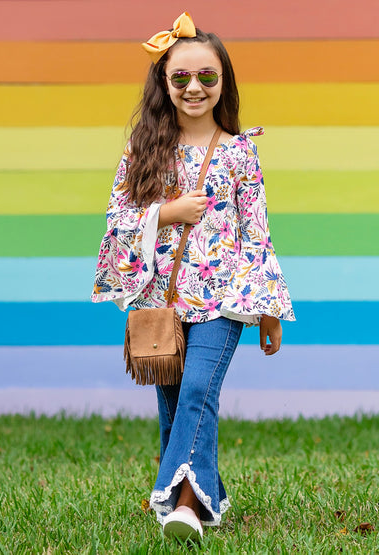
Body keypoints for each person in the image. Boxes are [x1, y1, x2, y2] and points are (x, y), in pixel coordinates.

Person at [92, 12, 295, 542]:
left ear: (223, 82)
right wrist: (166, 212)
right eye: (180, 77)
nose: (194, 88)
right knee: (177, 404)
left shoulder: (239, 152)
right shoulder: (142, 152)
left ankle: (178, 501)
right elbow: (117, 222)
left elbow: (257, 233)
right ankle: (208, 501)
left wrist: (270, 307)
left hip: (225, 300)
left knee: (200, 388)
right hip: (163, 300)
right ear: (164, 83)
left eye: (207, 76)